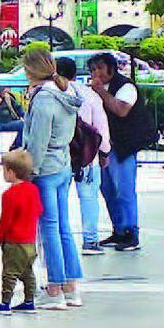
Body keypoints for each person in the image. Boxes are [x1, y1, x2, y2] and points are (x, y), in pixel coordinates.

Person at [21, 47, 85, 310]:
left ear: (31, 70)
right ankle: (70, 286)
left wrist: (28, 171)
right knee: (63, 228)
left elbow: (37, 142)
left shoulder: (44, 99)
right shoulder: (66, 92)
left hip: (45, 168)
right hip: (63, 165)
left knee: (48, 229)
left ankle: (54, 287)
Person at [90, 52, 149, 252]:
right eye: (93, 69)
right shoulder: (96, 90)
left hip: (123, 145)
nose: (96, 73)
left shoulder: (125, 86)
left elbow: (121, 109)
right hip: (104, 146)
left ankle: (131, 232)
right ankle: (119, 229)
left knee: (124, 189)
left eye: (99, 68)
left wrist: (102, 93)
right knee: (107, 189)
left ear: (111, 69)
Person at [57, 57, 109, 255]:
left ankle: (61, 239)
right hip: (87, 156)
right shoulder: (89, 95)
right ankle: (90, 240)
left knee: (59, 198)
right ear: (75, 74)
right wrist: (104, 151)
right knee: (88, 197)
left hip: (60, 155)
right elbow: (101, 126)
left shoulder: (52, 94)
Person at [0, 149, 41, 315]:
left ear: (11, 172)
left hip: (14, 241)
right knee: (27, 272)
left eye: (4, 170)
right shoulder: (33, 190)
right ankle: (29, 300)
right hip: (30, 241)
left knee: (9, 273)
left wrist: (0, 237)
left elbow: (6, 220)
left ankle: (5, 303)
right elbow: (39, 210)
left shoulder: (10, 195)